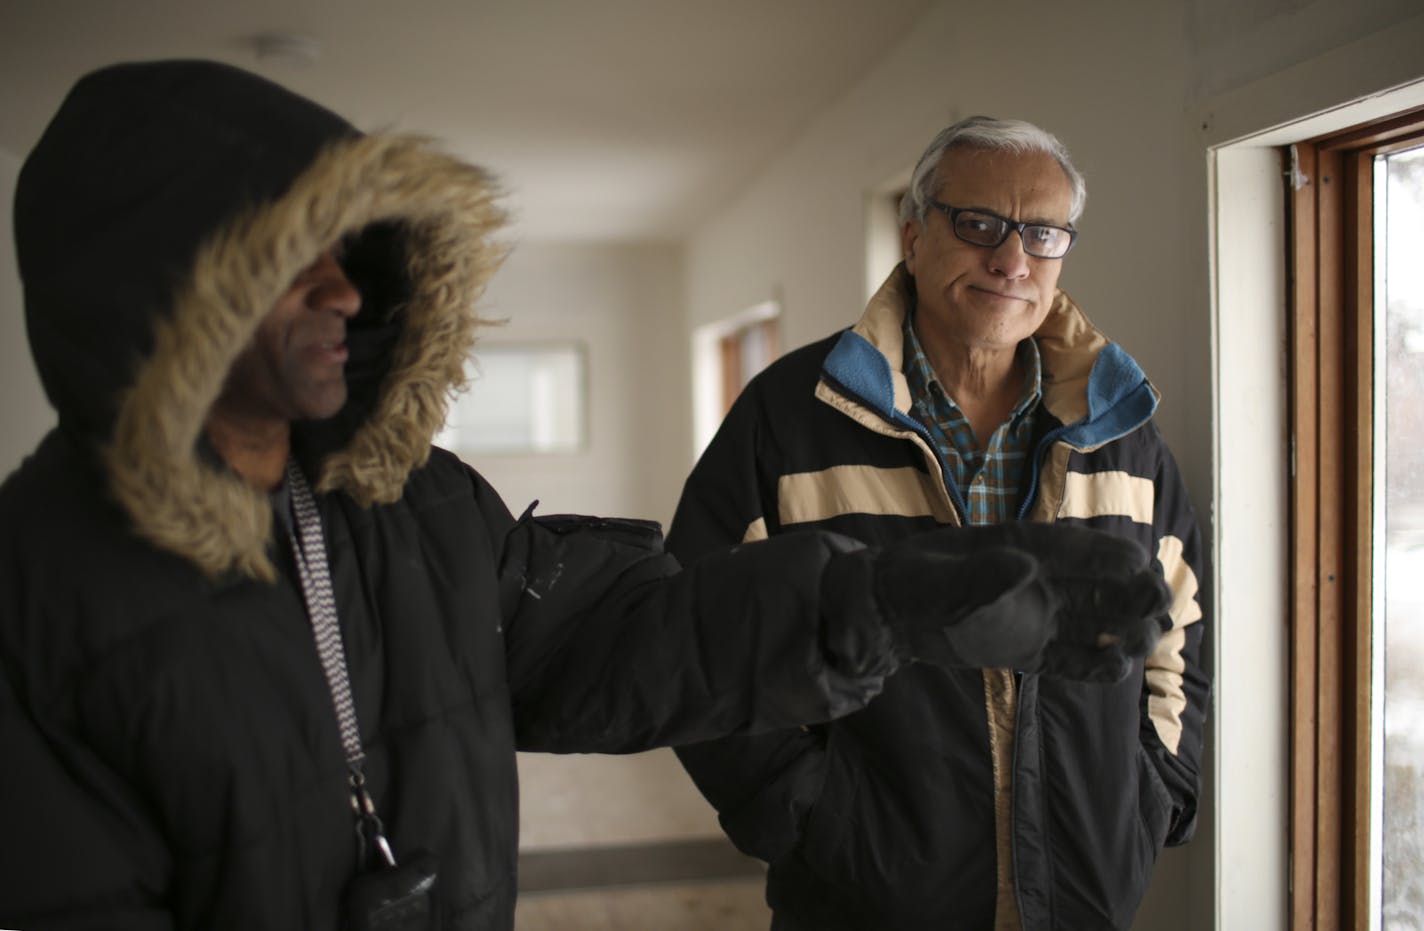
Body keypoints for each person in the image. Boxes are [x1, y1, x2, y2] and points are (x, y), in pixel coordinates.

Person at [0, 62, 1171, 931]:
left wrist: (881, 597)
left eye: (347, 253)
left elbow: (623, 635)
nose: (343, 294)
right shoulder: (34, 588)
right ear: (158, 284)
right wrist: (813, 823)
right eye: (284, 255)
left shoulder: (410, 503)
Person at [668, 115, 1211, 930]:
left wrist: (1153, 796)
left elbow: (1180, 633)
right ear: (914, 232)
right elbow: (693, 630)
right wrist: (803, 811)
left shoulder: (1120, 430)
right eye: (980, 223)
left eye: (1043, 233)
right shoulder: (789, 416)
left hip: (1081, 892)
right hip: (862, 898)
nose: (1013, 258)